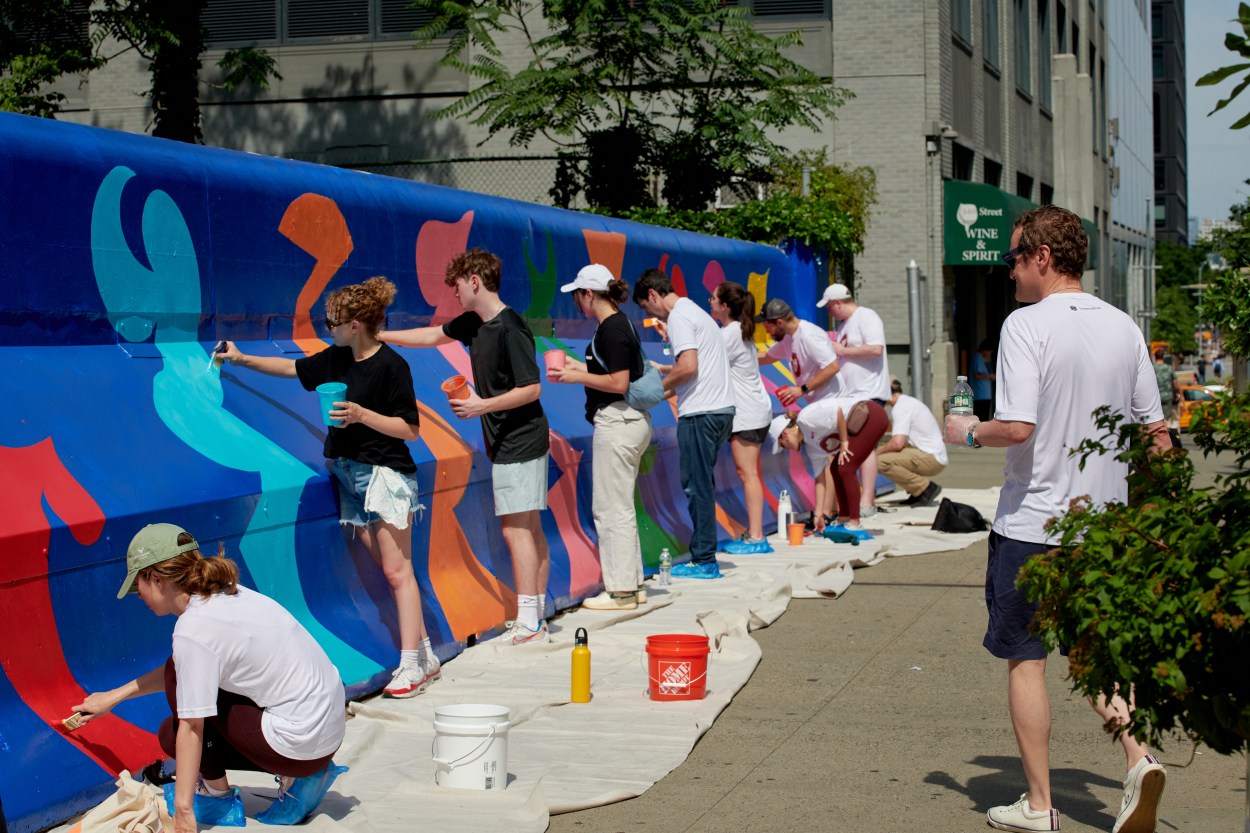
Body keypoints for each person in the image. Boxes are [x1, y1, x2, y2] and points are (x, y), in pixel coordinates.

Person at [943, 205, 1171, 833]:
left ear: (1043, 257)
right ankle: (1138, 756)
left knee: (1028, 660)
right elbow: (1157, 437)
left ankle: (1041, 807)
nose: (1008, 272)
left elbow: (1017, 426)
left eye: (1014, 258)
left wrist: (965, 433)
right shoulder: (1124, 326)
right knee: (1094, 653)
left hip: (1035, 523)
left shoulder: (1025, 325)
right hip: (1103, 527)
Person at [218, 277, 437, 698]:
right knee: (388, 568)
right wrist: (242, 359)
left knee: (396, 570)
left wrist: (360, 414)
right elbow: (294, 369)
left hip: (385, 475)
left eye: (332, 321)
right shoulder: (337, 357)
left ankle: (412, 664)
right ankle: (423, 653)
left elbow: (409, 428)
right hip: (348, 472)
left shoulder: (392, 367)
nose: (327, 328)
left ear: (356, 324)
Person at [72, 524, 346, 830]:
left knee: (176, 729)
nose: (138, 596)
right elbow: (182, 667)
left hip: (302, 745)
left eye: (138, 584)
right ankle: (304, 775)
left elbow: (191, 725)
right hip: (328, 731)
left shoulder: (193, 630)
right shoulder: (227, 593)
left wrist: (183, 809)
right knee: (173, 714)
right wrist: (112, 698)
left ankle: (217, 796)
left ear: (156, 578)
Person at [380, 248, 552, 644]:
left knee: (515, 529)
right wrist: (381, 335)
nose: (453, 294)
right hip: (513, 440)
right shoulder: (475, 324)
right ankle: (537, 612)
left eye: (456, 285)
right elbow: (432, 336)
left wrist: (482, 405)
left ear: (474, 281)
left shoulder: (511, 328)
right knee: (527, 525)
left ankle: (529, 619)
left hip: (520, 439)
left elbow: (532, 388)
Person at [548, 264, 652, 610]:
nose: (576, 303)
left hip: (618, 421)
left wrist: (576, 378)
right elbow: (609, 371)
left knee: (610, 508)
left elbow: (618, 383)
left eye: (578, 296)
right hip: (628, 422)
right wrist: (576, 369)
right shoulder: (617, 325)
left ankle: (621, 590)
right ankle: (631, 585)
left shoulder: (611, 329)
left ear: (588, 294)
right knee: (620, 506)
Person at [633, 268, 734, 578]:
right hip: (721, 410)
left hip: (701, 414)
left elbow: (688, 368)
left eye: (646, 307)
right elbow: (693, 371)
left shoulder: (678, 317)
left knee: (697, 487)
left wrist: (652, 392)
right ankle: (704, 553)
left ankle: (704, 560)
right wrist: (667, 384)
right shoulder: (698, 313)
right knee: (703, 485)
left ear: (653, 294)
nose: (650, 314)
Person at [757, 297, 842, 526]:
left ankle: (827, 513)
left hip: (832, 400)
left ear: (779, 322)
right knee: (824, 458)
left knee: (829, 456)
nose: (766, 330)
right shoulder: (788, 339)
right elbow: (765, 357)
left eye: (767, 325)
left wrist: (801, 389)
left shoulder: (809, 334)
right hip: (818, 402)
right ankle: (826, 512)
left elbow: (833, 367)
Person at [710, 282, 774, 554]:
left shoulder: (729, 334)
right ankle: (756, 533)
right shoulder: (739, 331)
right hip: (757, 409)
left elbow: (705, 363)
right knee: (749, 473)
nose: (710, 300)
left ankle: (757, 536)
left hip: (748, 413)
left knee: (747, 474)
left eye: (713, 298)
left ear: (725, 306)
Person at [819, 283, 891, 518]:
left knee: (864, 447)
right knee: (852, 446)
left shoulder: (866, 316)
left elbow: (876, 349)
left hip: (868, 392)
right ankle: (857, 501)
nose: (830, 313)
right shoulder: (844, 326)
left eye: (830, 308)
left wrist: (842, 350)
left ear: (838, 303)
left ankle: (867, 500)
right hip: (852, 395)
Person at [768, 394, 888, 535]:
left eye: (782, 445)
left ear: (785, 433)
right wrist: (818, 515)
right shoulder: (811, 447)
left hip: (872, 416)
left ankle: (855, 522)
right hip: (861, 423)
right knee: (835, 468)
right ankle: (844, 518)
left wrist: (844, 442)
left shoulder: (806, 418)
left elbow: (837, 413)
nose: (786, 449)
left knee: (845, 468)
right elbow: (820, 480)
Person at [877, 378, 946, 506]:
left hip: (932, 458)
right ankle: (917, 493)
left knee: (879, 461)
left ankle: (924, 488)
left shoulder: (900, 407)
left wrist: (876, 453)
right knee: (886, 454)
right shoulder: (908, 402)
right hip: (932, 455)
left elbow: (897, 443)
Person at [970, 339, 996, 422]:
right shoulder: (978, 357)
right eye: (989, 352)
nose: (989, 354)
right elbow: (977, 375)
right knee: (982, 419)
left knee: (983, 418)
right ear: (985, 350)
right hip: (980, 395)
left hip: (983, 395)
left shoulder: (979, 358)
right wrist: (990, 376)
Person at [1153, 348, 1179, 428]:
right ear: (1163, 357)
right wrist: (1176, 395)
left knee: (1156, 419)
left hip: (1156, 398)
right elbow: (1175, 384)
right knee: (1166, 418)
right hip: (1168, 396)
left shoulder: (1152, 368)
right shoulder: (1169, 368)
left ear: (1155, 357)